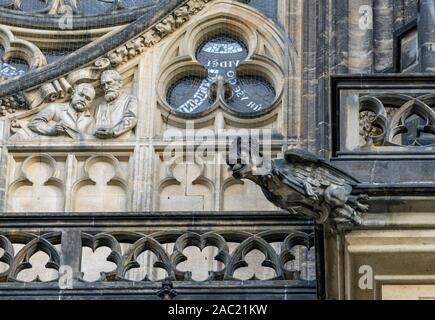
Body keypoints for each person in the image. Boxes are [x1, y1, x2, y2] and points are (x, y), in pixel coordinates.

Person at [27, 83, 96, 139]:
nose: (83, 100)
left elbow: (92, 140)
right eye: (81, 95)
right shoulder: (55, 107)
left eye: (87, 98)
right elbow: (33, 123)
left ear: (90, 104)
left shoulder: (90, 120)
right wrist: (52, 130)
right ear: (72, 95)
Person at [94, 70, 138, 139]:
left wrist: (113, 131)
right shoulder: (100, 106)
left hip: (123, 143)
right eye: (103, 85)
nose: (106, 87)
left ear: (120, 83)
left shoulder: (130, 99)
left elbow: (130, 119)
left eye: (109, 83)